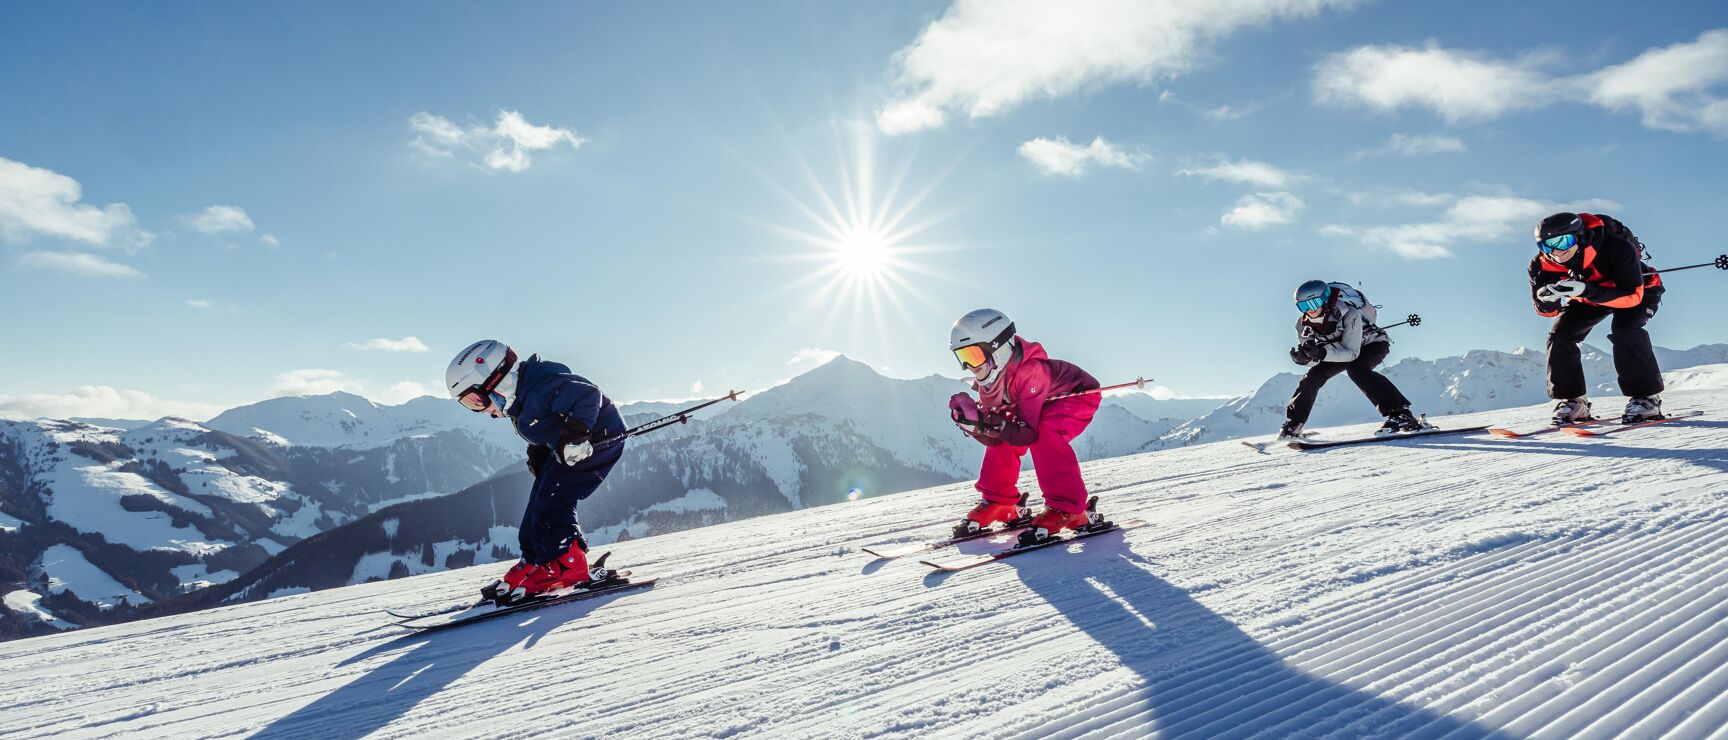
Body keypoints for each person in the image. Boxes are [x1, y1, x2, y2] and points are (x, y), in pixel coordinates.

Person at [444, 339, 626, 603]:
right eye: (470, 404)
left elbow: (587, 396)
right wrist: (541, 451)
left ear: (497, 379)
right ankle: (536, 561)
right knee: (537, 505)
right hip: (568, 449)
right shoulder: (523, 397)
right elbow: (548, 423)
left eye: (476, 400)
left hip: (595, 444)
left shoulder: (540, 389)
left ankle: (567, 565)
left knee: (551, 505)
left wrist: (576, 435)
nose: (480, 410)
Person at [946, 309, 1104, 542]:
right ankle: (999, 501)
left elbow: (1027, 434)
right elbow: (998, 437)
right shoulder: (988, 383)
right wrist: (976, 425)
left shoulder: (1030, 371)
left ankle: (1069, 508)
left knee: (1044, 433)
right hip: (1034, 404)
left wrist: (990, 423)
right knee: (1008, 434)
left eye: (974, 354)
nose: (969, 365)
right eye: (962, 357)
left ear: (998, 347)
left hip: (1074, 397)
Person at [1529, 212, 1666, 424]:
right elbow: (1546, 312)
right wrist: (1547, 299)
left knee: (1625, 330)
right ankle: (1574, 402)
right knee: (1560, 336)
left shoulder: (1616, 248)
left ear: (1580, 236)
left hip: (1635, 291)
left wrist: (1585, 290)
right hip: (1588, 299)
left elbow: (1632, 297)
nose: (1556, 251)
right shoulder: (1541, 266)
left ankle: (1646, 398)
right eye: (1547, 246)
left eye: (1563, 241)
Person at [1280, 280, 1423, 439]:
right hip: (1336, 352)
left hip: (1372, 343)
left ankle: (1401, 414)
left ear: (1325, 299)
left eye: (1314, 303)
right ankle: (1294, 424)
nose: (1310, 310)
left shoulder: (1348, 313)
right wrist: (1305, 359)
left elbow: (1352, 354)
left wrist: (1320, 353)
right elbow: (1317, 359)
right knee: (1313, 376)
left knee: (1357, 369)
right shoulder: (1302, 325)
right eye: (1303, 306)